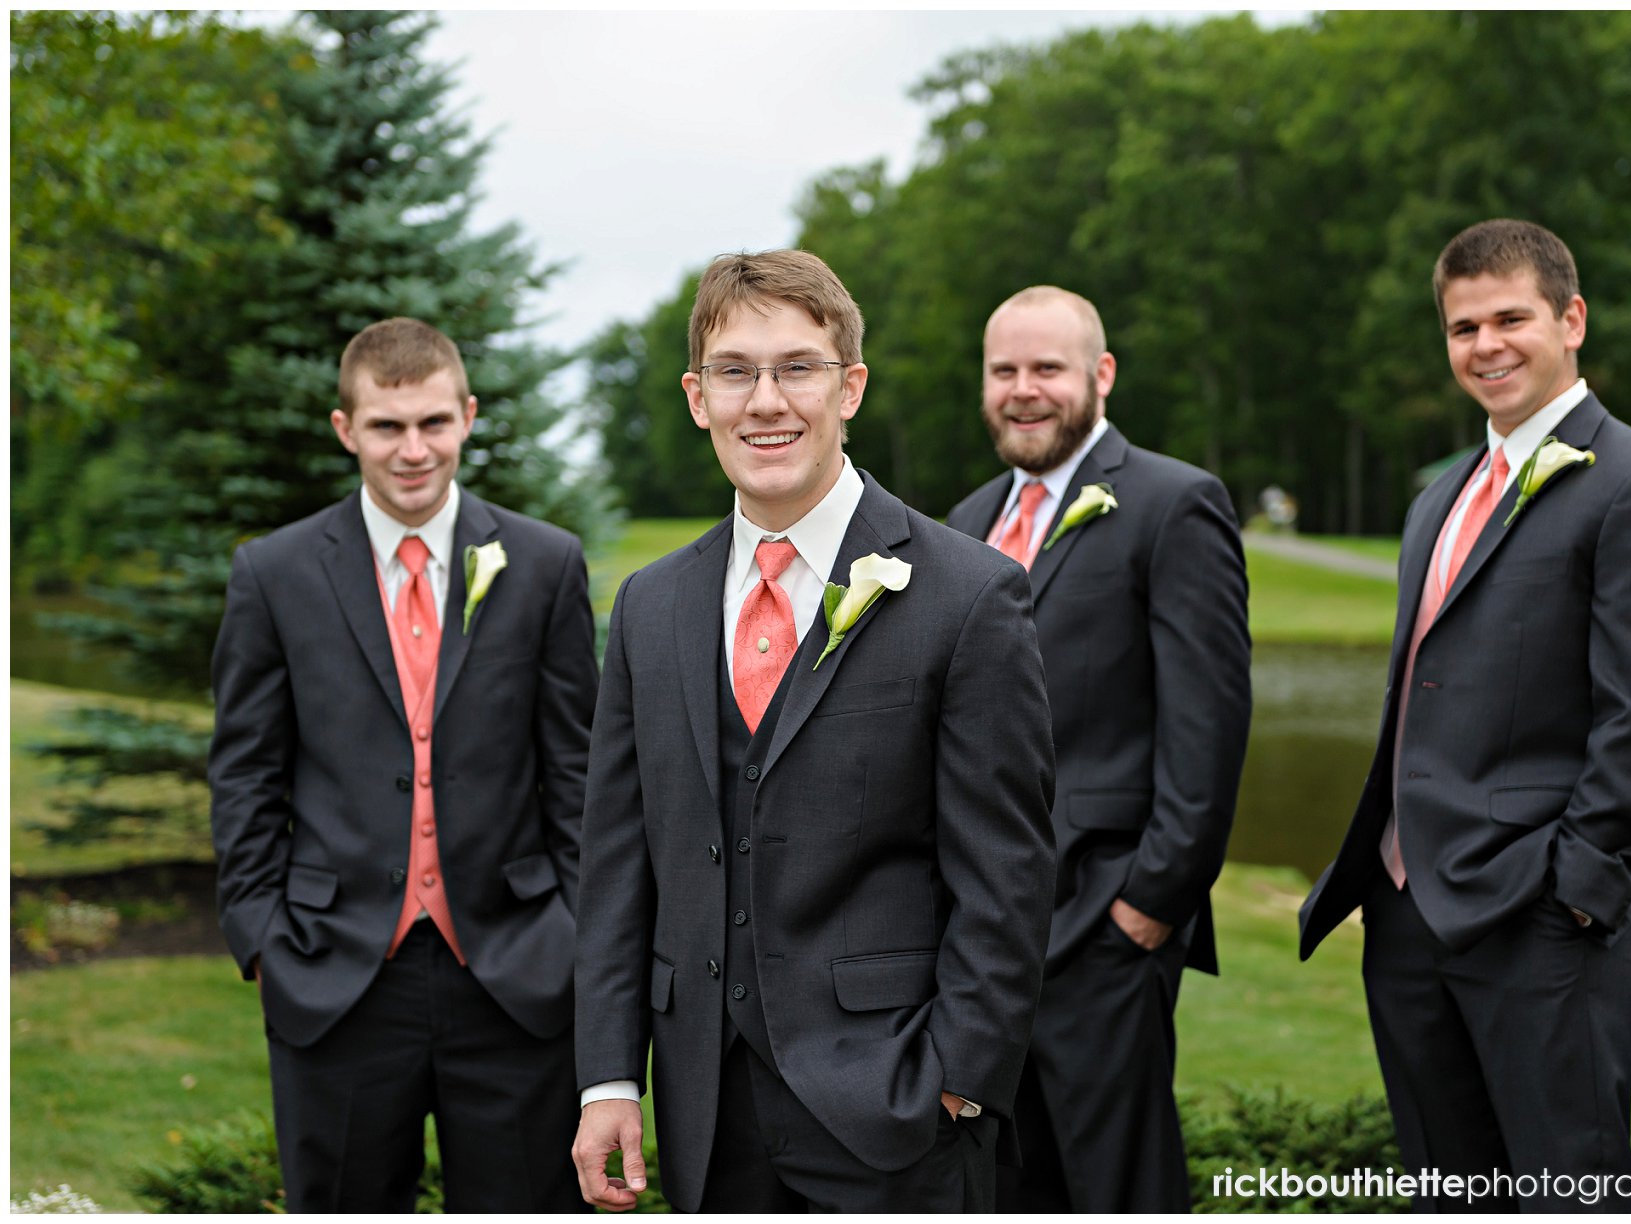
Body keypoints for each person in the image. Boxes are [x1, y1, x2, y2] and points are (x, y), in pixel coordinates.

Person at [569, 249, 1057, 1213]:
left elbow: (1007, 874)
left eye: (798, 366)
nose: (766, 401)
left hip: (899, 1110)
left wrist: (960, 1079)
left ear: (851, 387)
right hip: (707, 1111)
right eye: (735, 371)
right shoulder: (651, 605)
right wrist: (611, 1078)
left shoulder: (969, 596)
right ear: (698, 397)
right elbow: (619, 863)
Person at [1299, 219, 1631, 1211]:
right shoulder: (1436, 500)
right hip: (1406, 917)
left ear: (1571, 320)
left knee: (1566, 1194)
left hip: (1540, 917)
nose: (1484, 345)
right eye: (1461, 327)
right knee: (1450, 1194)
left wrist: (1576, 894)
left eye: (1510, 318)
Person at [208, 317, 599, 1212]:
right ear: (347, 429)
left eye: (433, 423)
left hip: (516, 970)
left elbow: (579, 771)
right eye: (388, 426)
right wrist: (261, 934)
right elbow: (244, 770)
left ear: (466, 416)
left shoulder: (542, 564)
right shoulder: (276, 573)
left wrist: (576, 932)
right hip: (334, 969)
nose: (413, 450)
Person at [946, 285, 1252, 1212]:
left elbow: (1208, 727)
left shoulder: (1173, 504)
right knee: (1001, 1183)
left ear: (1100, 375)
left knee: (1113, 1186)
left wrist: (1149, 908)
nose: (1024, 390)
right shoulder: (963, 525)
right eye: (1005, 371)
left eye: (1047, 369)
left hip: (1104, 932)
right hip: (976, 941)